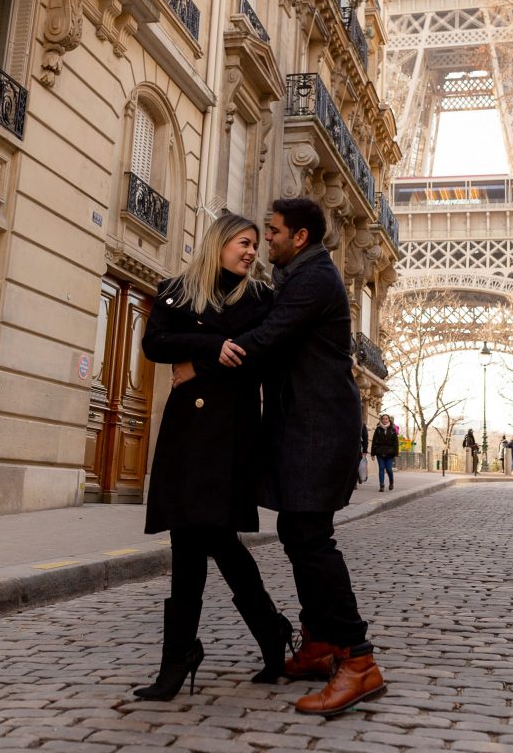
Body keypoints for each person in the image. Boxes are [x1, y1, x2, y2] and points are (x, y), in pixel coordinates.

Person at [218, 198, 386, 717]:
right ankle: (318, 644)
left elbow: (267, 339)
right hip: (306, 425)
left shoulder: (313, 279)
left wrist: (207, 355)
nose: (266, 238)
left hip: (318, 426)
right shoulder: (301, 274)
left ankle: (358, 660)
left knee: (311, 537)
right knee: (298, 532)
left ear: (301, 238)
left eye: (273, 232)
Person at [134, 214, 291, 701]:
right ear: (220, 243)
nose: (251, 252)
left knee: (207, 537)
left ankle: (184, 654)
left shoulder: (261, 299)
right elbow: (153, 342)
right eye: (244, 243)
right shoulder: (179, 290)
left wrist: (197, 363)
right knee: (201, 537)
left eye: (255, 245)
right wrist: (209, 346)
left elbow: (263, 352)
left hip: (232, 431)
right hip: (188, 433)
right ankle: (264, 632)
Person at [371, 413, 399, 491]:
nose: (385, 420)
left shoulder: (392, 429)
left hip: (390, 453)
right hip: (380, 452)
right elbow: (374, 442)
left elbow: (396, 442)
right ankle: (382, 485)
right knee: (381, 468)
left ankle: (391, 482)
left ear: (388, 420)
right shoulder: (378, 429)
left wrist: (396, 453)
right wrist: (373, 453)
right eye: (383, 419)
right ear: (381, 420)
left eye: (386, 419)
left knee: (389, 469)